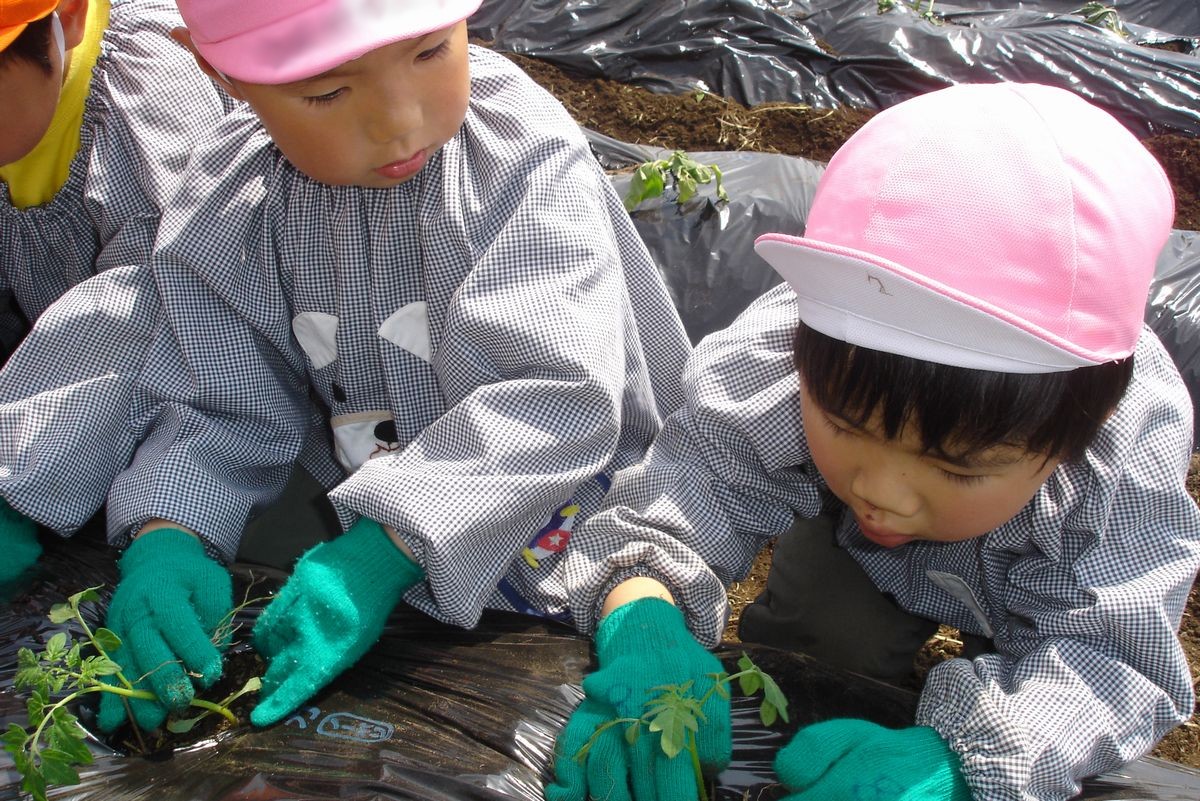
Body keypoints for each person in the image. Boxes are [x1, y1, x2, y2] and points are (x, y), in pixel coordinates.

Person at [0, 0, 689, 736]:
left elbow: (553, 398)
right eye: (328, 92)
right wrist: (172, 532)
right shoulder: (234, 197)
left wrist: (388, 546)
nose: (398, 119)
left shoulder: (517, 153)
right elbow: (223, 399)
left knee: (555, 687)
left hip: (575, 513)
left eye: (431, 52)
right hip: (378, 511)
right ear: (219, 73)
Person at [553, 82, 1200, 801]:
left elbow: (1109, 660)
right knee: (819, 640)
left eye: (956, 466)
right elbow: (691, 483)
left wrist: (963, 765)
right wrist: (645, 622)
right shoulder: (809, 352)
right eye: (845, 426)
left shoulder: (1121, 456)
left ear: (1067, 444)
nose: (879, 492)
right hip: (850, 554)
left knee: (1038, 714)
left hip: (1041, 588)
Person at [0, 0, 236, 591]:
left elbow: (154, 309)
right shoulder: (23, 99)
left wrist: (13, 487)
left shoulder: (149, 99)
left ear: (70, 19)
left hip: (201, 388)